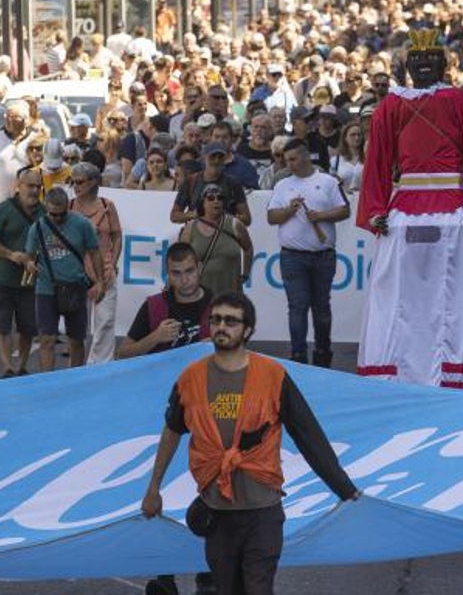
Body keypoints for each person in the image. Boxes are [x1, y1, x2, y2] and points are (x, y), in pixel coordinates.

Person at [139, 291, 359, 595]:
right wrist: (153, 489)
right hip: (217, 515)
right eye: (215, 320)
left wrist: (344, 488)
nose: (221, 327)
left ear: (248, 329)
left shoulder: (273, 376)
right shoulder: (190, 379)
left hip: (263, 514)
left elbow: (309, 436)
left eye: (231, 321)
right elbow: (172, 430)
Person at [357, 32, 463, 388]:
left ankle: (456, 373)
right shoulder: (390, 107)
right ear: (406, 66)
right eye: (416, 58)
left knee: (457, 300)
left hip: (455, 208)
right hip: (404, 211)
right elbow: (376, 160)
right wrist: (376, 210)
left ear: (444, 64)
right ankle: (397, 372)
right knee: (398, 298)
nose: (423, 64)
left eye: (431, 58)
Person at [268, 139, 351, 367]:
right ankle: (298, 355)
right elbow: (271, 217)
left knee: (321, 307)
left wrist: (321, 216)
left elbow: (345, 210)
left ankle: (323, 352)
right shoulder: (283, 185)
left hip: (322, 255)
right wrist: (288, 210)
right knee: (298, 306)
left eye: (293, 159)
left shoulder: (327, 182)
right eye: (287, 160)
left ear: (306, 156)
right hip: (292, 256)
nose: (289, 164)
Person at [24, 187, 104, 372]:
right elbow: (28, 255)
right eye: (53, 214)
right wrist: (29, 264)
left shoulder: (82, 224)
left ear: (68, 207)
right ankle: (48, 381)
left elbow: (95, 252)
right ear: (46, 208)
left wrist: (100, 281)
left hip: (75, 286)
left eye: (62, 214)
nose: (58, 218)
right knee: (47, 339)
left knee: (76, 340)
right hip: (46, 288)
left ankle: (74, 379)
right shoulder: (37, 227)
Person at [0, 167, 43, 378]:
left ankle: (23, 365)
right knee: (1, 325)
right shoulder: (4, 210)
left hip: (31, 280)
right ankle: (7, 366)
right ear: (18, 186)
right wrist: (10, 255)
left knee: (28, 326)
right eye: (30, 185)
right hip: (2, 277)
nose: (34, 190)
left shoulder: (44, 212)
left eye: (38, 186)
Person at [117, 242, 213, 359]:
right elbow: (121, 355)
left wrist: (220, 345)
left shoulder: (217, 305)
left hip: (204, 376)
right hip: (164, 377)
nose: (184, 280)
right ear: (168, 274)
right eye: (176, 273)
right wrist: (155, 338)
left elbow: (239, 352)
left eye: (189, 271)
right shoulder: (153, 306)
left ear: (200, 268)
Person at [68, 162, 122, 365]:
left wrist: (114, 260)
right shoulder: (69, 207)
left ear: (93, 182)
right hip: (76, 274)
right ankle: (76, 366)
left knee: (105, 323)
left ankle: (98, 367)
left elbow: (117, 235)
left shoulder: (108, 206)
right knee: (77, 326)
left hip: (104, 271)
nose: (75, 185)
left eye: (80, 181)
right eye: (73, 181)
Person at [180, 183, 253, 299]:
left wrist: (245, 274)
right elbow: (180, 259)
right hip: (200, 294)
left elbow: (248, 248)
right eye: (210, 198)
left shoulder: (235, 224)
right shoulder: (191, 228)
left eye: (220, 198)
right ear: (202, 202)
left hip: (231, 292)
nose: (216, 201)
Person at [171, 142, 252, 226]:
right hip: (198, 234)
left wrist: (226, 218)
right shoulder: (191, 181)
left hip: (225, 234)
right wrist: (194, 214)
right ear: (204, 158)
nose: (216, 161)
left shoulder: (233, 183)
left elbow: (247, 219)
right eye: (212, 157)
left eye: (220, 157)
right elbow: (174, 216)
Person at [0, 100, 31, 203]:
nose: (8, 121)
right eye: (6, 117)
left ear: (24, 120)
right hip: (1, 200)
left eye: (13, 118)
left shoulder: (33, 140)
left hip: (26, 202)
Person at [329, 120, 365, 192]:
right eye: (353, 135)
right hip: (344, 200)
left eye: (359, 134)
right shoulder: (335, 161)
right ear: (345, 138)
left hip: (364, 200)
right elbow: (331, 185)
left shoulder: (368, 159)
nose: (357, 138)